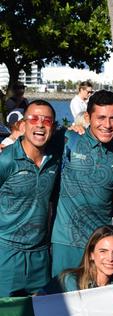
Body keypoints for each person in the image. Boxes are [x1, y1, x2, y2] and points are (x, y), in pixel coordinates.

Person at [50, 90, 113, 276]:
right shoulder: (68, 139)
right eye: (101, 118)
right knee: (61, 300)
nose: (107, 125)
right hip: (65, 240)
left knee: (95, 302)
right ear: (88, 117)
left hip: (101, 243)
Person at [0, 101, 59, 296]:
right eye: (34, 119)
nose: (40, 125)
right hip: (7, 253)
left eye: (47, 120)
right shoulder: (6, 160)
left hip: (40, 255)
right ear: (23, 125)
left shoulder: (55, 160)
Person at [43, 225, 113, 293]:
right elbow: (35, 303)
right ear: (91, 254)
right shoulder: (69, 280)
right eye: (103, 251)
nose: (110, 258)